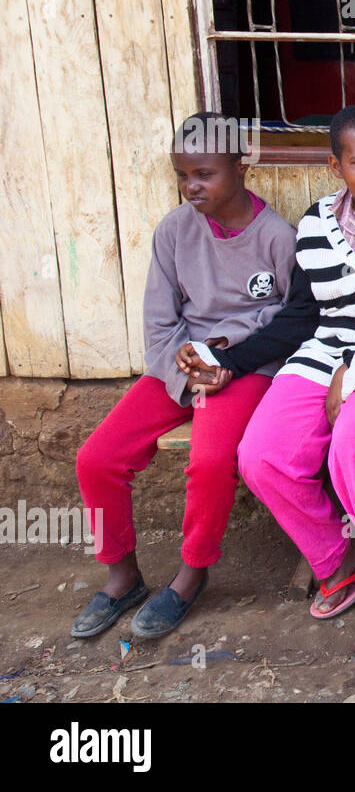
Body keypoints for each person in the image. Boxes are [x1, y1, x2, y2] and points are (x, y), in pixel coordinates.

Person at [181, 104, 355, 658]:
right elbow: (301, 318)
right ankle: (340, 558)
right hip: (324, 356)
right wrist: (232, 364)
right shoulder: (315, 226)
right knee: (261, 455)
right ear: (337, 168)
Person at [72, 112, 296, 640]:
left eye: (205, 173)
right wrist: (184, 367)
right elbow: (159, 319)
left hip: (245, 368)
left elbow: (290, 318)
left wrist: (227, 356)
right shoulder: (174, 230)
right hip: (180, 365)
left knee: (213, 459)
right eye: (182, 175)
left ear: (242, 167)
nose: (191, 186)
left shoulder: (276, 237)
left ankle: (192, 573)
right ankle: (122, 574)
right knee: (97, 458)